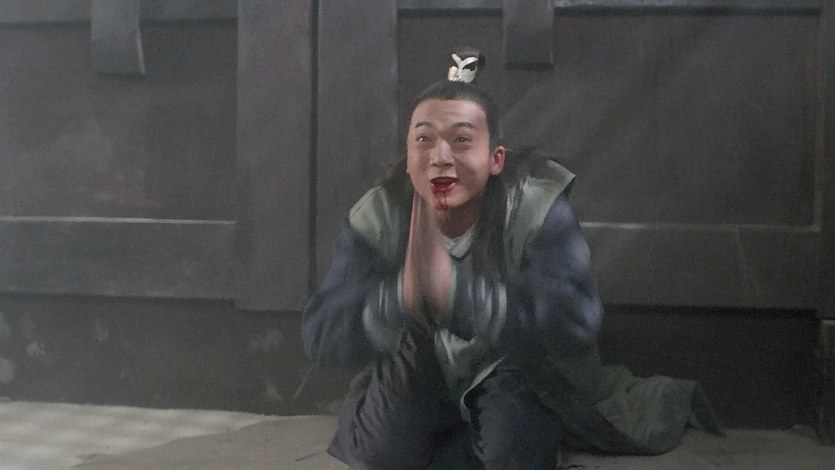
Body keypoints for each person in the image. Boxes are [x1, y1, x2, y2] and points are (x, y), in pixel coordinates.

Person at [302, 47, 722, 470]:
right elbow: (321, 335)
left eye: (462, 140)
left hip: (511, 363)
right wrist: (397, 299)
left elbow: (575, 323)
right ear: (409, 157)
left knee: (513, 454)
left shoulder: (535, 207)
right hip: (421, 363)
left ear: (495, 159)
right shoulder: (379, 214)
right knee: (378, 453)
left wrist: (462, 298)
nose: (440, 157)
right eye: (424, 140)